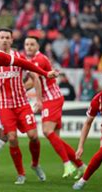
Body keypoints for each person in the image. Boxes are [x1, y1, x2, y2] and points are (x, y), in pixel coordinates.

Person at [0, 30, 58, 192]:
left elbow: (29, 70)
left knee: (33, 135)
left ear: (11, 40)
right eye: (1, 37)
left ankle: (34, 164)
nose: (4, 40)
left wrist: (45, 74)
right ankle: (15, 174)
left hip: (18, 104)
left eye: (7, 37)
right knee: (5, 138)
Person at [24, 36, 86, 178]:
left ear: (38, 46)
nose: (29, 47)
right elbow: (32, 82)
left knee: (47, 131)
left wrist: (37, 99)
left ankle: (67, 164)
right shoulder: (33, 60)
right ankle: (81, 166)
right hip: (54, 98)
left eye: (32, 44)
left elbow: (35, 82)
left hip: (51, 98)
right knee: (56, 139)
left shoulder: (38, 60)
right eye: (27, 44)